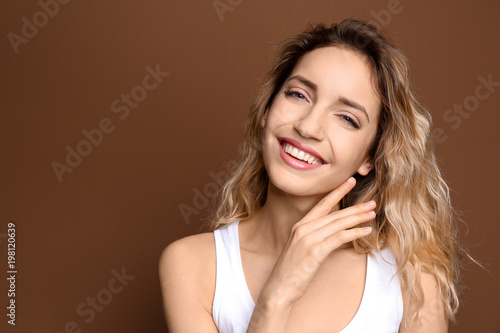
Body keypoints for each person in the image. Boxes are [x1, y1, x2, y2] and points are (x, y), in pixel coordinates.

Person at [159, 18, 465, 332]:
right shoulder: (192, 265)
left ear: (371, 156)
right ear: (267, 109)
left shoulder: (411, 276)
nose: (308, 127)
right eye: (298, 95)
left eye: (347, 118)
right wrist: (278, 293)